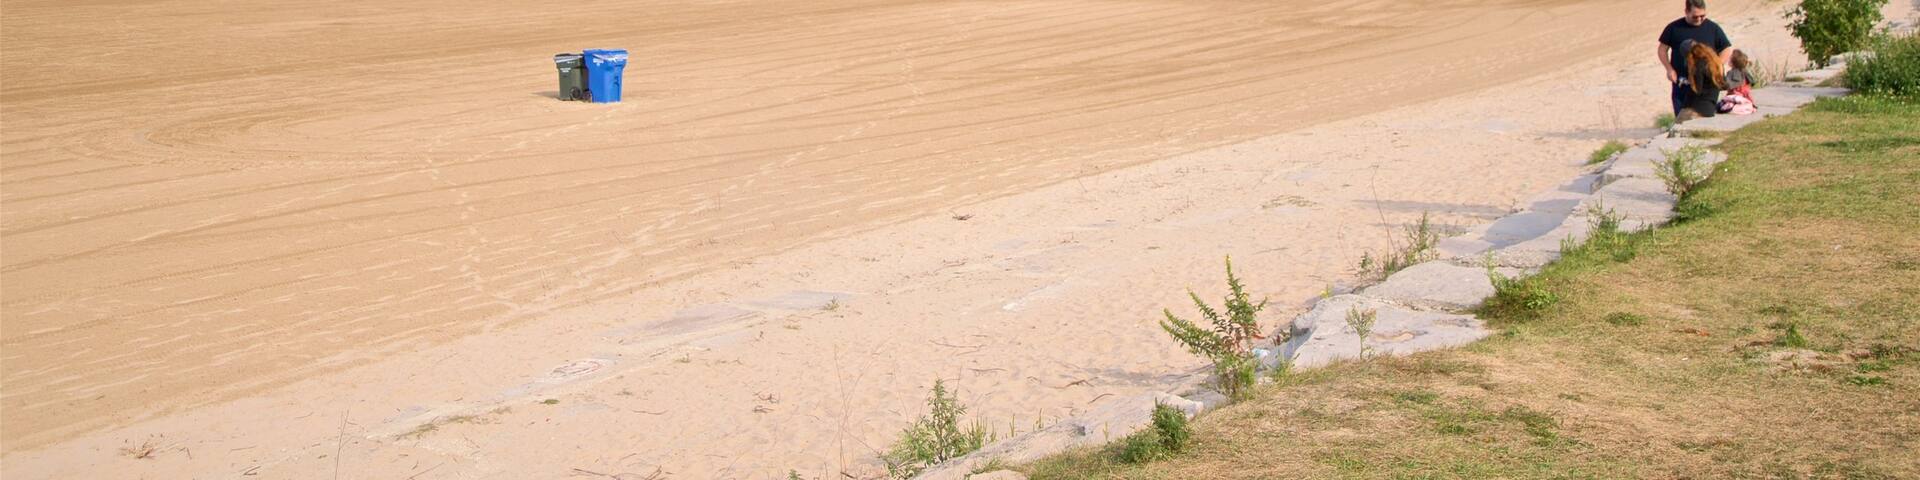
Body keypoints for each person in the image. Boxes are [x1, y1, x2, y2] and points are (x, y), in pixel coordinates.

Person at [1658, 0, 1733, 118]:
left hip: (1705, 87)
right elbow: (1662, 50)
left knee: (1702, 118)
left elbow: (1726, 49)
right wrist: (1669, 69)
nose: (1699, 19)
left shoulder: (1713, 28)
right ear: (1686, 12)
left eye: (1702, 16)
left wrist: (1715, 66)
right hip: (1681, 82)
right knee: (1680, 118)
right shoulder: (1674, 28)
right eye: (1695, 17)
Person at [1678, 41, 1726, 120]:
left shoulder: (1698, 66)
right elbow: (1722, 84)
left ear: (1690, 55)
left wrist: (1687, 83)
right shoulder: (1715, 62)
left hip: (1701, 109)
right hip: (1711, 105)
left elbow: (1697, 90)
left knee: (1679, 120)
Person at [1720, 49, 1757, 114]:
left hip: (1736, 96)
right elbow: (1752, 82)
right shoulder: (1744, 71)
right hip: (1746, 97)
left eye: (1730, 59)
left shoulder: (1733, 73)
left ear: (1733, 63)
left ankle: (1735, 107)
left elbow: (1727, 85)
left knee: (1720, 106)